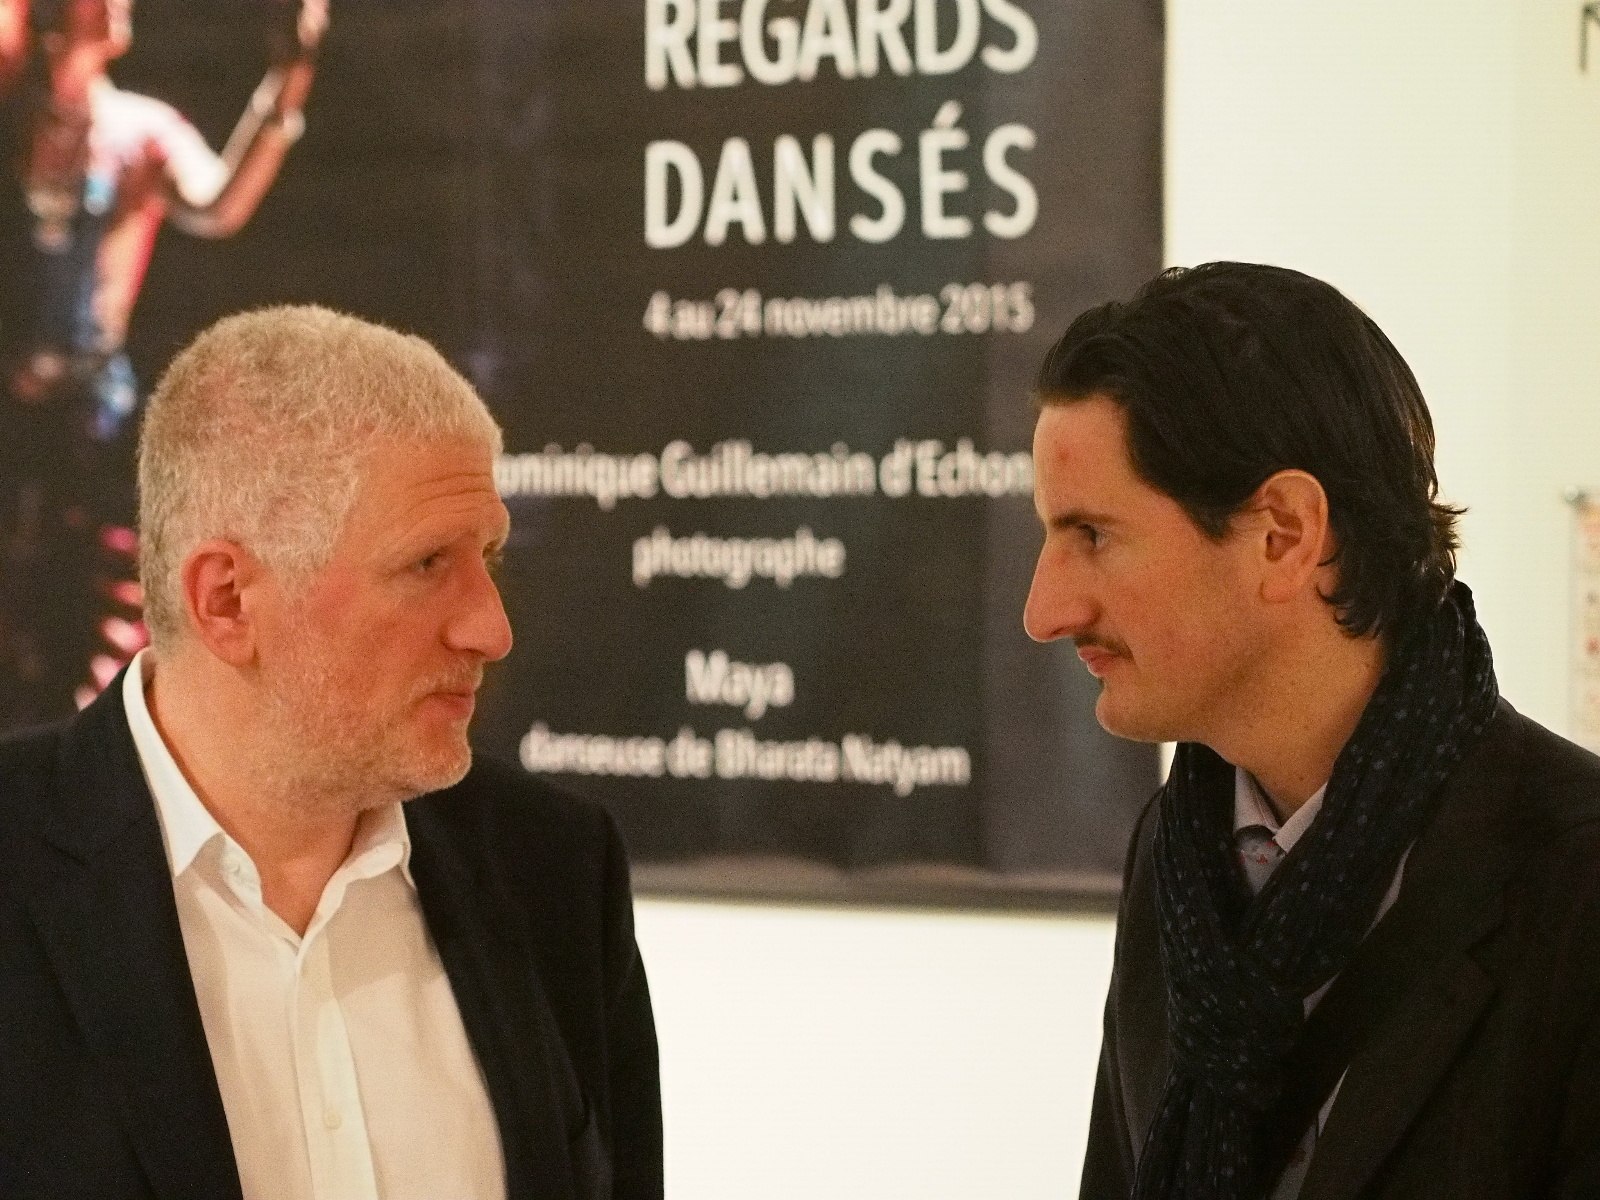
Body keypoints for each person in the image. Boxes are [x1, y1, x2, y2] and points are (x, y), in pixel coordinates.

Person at [0, 306, 663, 1200]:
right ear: (227, 600)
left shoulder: (553, 868)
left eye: (489, 557)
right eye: (427, 564)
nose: (491, 628)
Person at [1024, 263, 1600, 1199]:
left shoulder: (1573, 881)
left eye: (1094, 535)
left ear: (1285, 534)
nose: (1044, 611)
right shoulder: (1177, 851)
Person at [0, 0, 326, 726]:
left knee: (87, 633)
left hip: (88, 429)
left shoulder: (139, 131)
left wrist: (288, 78)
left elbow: (218, 206)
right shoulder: (11, 123)